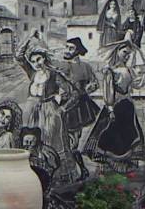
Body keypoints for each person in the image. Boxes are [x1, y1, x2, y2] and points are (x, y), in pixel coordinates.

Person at [84, 42, 145, 174]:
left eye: (128, 54)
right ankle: (109, 164)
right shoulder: (110, 71)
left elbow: (134, 84)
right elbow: (108, 91)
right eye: (124, 53)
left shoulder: (129, 70)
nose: (126, 56)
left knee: (128, 134)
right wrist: (110, 108)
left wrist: (144, 77)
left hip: (127, 107)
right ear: (117, 52)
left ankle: (124, 164)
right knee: (111, 133)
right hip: (115, 106)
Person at [17, 33, 70, 155]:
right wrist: (29, 37)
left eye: (39, 59)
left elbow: (72, 92)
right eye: (33, 61)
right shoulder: (32, 73)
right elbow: (19, 56)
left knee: (48, 139)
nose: (37, 63)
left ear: (44, 58)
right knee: (29, 139)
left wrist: (62, 104)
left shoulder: (54, 75)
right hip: (30, 111)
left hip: (48, 112)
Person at [54, 37, 99, 182]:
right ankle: (71, 169)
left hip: (77, 107)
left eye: (71, 48)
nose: (67, 50)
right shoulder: (61, 65)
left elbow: (94, 83)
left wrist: (88, 88)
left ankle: (79, 170)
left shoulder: (85, 67)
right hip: (61, 104)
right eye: (66, 47)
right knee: (62, 139)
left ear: (78, 51)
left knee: (73, 140)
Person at [19, 127, 61, 194]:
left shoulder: (45, 152)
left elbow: (54, 166)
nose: (29, 145)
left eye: (31, 142)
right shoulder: (19, 152)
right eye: (26, 142)